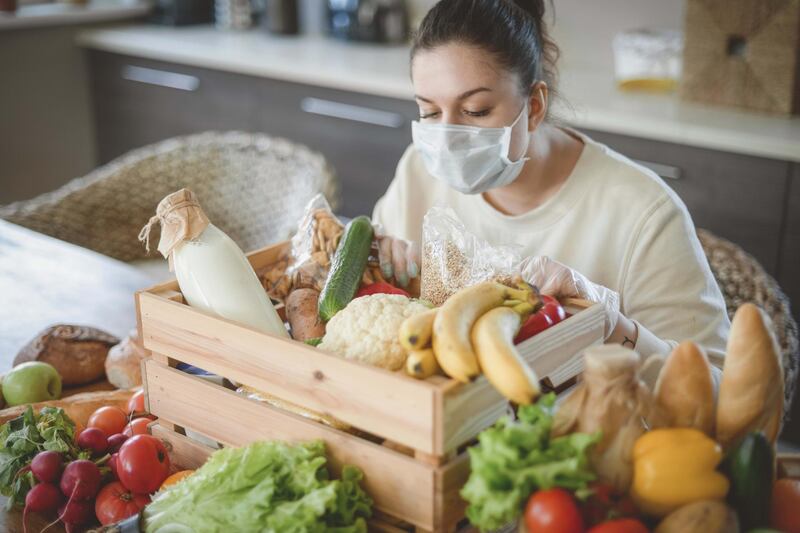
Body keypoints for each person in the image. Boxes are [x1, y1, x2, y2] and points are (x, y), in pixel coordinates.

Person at [373, 0, 730, 379]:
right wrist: (382, 267)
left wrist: (608, 324)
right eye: (429, 112)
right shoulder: (419, 169)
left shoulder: (643, 212)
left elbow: (720, 396)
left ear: (535, 105)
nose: (446, 140)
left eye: (476, 111)